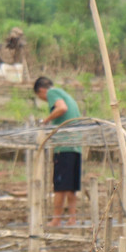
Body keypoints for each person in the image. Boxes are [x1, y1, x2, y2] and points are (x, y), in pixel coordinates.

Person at [33, 76, 82, 227]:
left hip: (64, 146)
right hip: (76, 145)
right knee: (71, 187)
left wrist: (46, 121)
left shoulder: (52, 93)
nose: (43, 99)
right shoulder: (67, 95)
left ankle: (56, 219)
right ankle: (72, 219)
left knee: (60, 186)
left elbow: (61, 108)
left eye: (39, 96)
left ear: (41, 90)